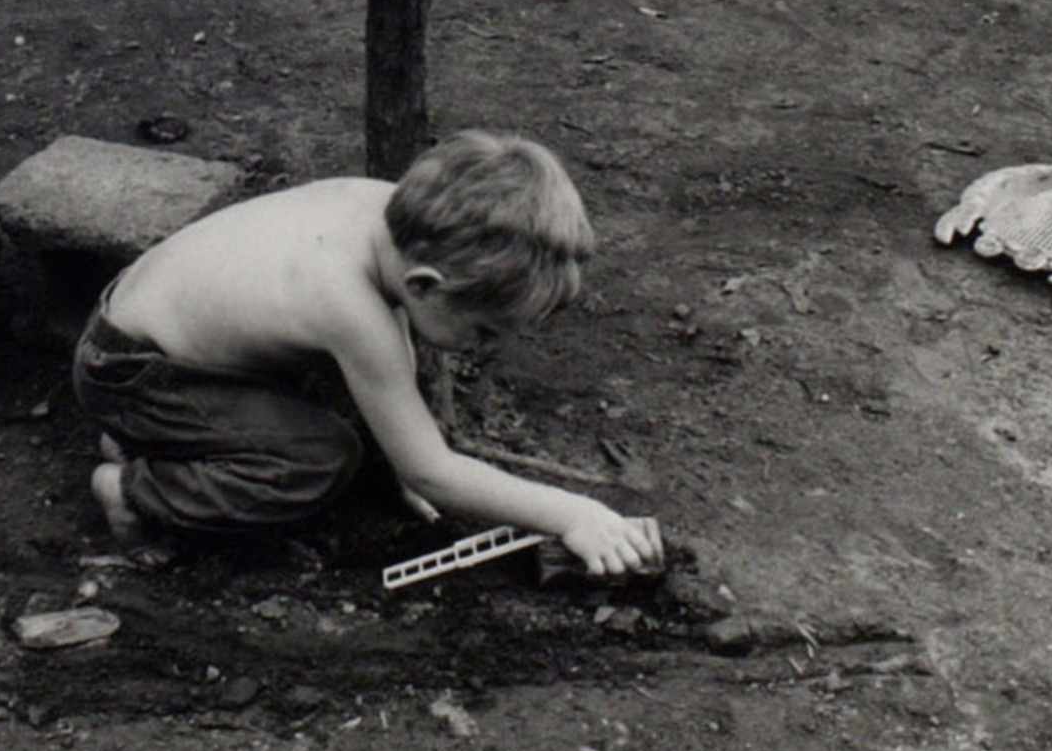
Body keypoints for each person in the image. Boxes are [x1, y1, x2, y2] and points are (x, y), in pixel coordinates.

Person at [72, 130, 666, 579]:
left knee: (352, 414)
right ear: (426, 285)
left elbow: (395, 376)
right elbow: (429, 469)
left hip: (141, 328)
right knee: (320, 458)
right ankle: (133, 491)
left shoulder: (386, 215)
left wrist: (406, 452)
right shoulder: (347, 305)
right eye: (484, 332)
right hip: (131, 373)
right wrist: (573, 515)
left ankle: (161, 437)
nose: (487, 348)